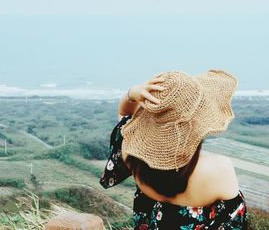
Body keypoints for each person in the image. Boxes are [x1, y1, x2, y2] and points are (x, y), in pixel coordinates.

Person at [99, 69, 248, 229]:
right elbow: (236, 222)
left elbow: (124, 115)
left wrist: (131, 93)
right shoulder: (219, 169)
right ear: (200, 122)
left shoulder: (130, 149)